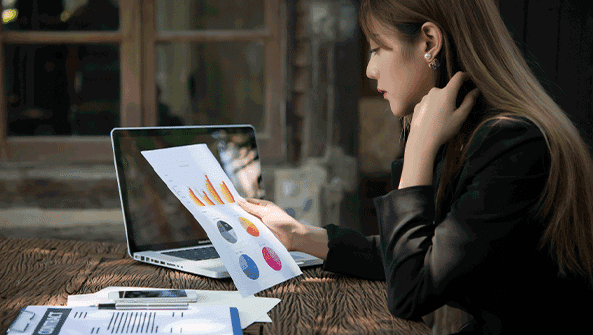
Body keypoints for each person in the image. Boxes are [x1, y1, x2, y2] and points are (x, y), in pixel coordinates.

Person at [237, 0, 593, 334]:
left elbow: (411, 291)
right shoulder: (467, 135)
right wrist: (300, 236)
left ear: (430, 42)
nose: (369, 69)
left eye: (378, 48)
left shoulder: (513, 147)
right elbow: (413, 252)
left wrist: (418, 153)